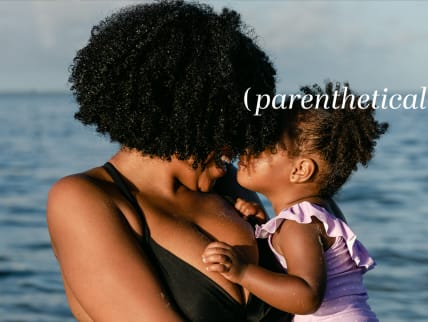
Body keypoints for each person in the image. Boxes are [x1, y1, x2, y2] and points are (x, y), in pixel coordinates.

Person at [46, 1, 296, 321]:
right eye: (230, 122)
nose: (241, 140)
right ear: (185, 113)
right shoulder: (83, 200)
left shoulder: (230, 184)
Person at [202, 83, 389, 321]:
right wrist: (263, 223)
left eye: (265, 147)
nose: (248, 148)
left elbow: (306, 296)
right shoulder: (322, 211)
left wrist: (242, 272)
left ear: (300, 170)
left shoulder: (297, 225)